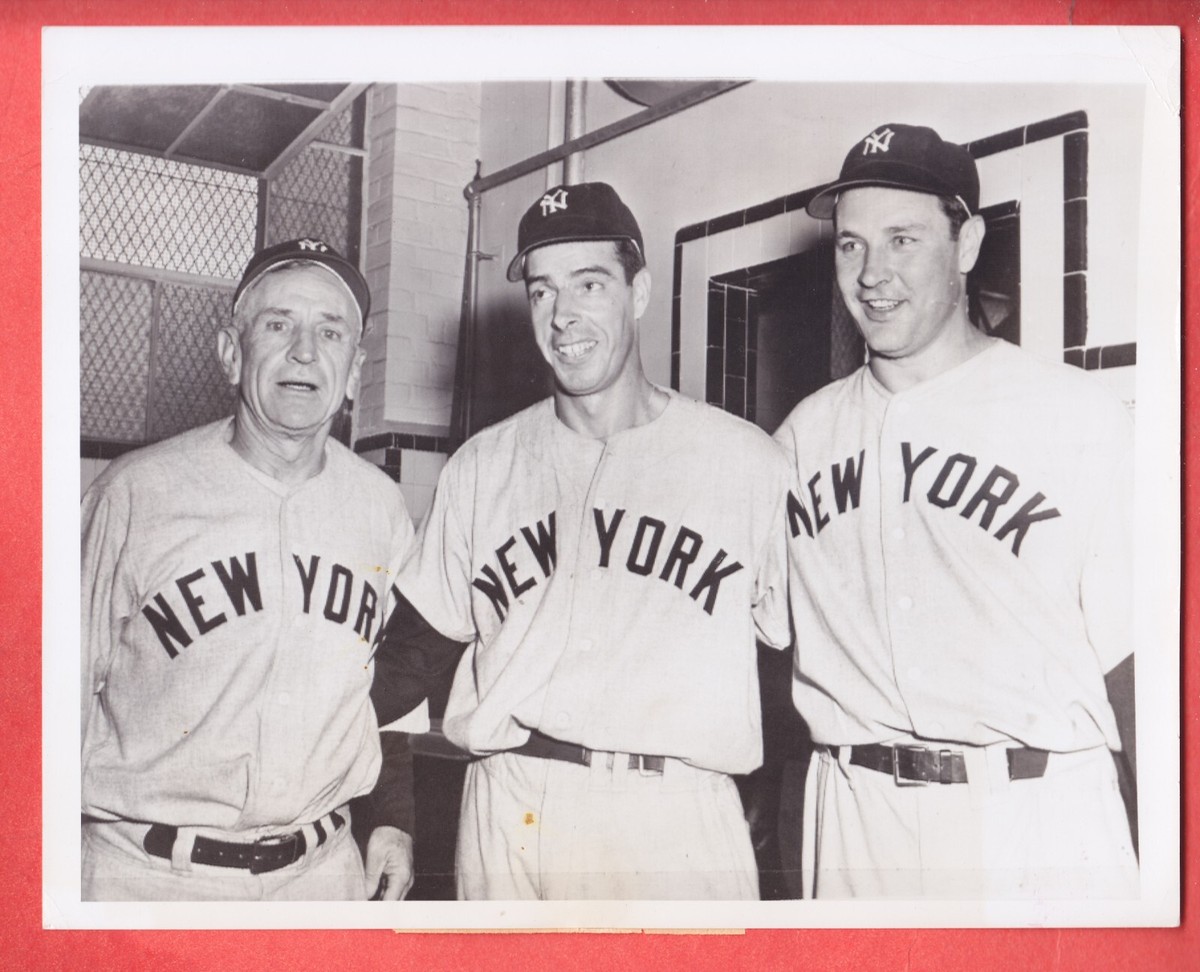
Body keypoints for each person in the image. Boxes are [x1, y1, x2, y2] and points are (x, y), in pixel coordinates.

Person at [370, 182, 793, 900]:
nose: (562, 315)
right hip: (511, 808)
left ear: (639, 292)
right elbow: (409, 656)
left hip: (674, 816)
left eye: (589, 284)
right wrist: (384, 811)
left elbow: (807, 657)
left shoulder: (747, 461)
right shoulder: (483, 465)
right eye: (542, 291)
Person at [774, 123, 1139, 898]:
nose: (872, 273)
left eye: (902, 239)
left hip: (1033, 815)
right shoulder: (800, 437)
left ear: (966, 243)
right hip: (853, 818)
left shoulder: (1077, 417)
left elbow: (1142, 672)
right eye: (850, 245)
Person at [81, 238, 416, 901]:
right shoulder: (134, 493)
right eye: (278, 324)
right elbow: (42, 696)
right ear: (231, 354)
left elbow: (392, 680)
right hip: (147, 879)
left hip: (323, 877)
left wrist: (394, 820)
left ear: (354, 371)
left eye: (330, 331)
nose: (303, 350)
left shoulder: (380, 505)